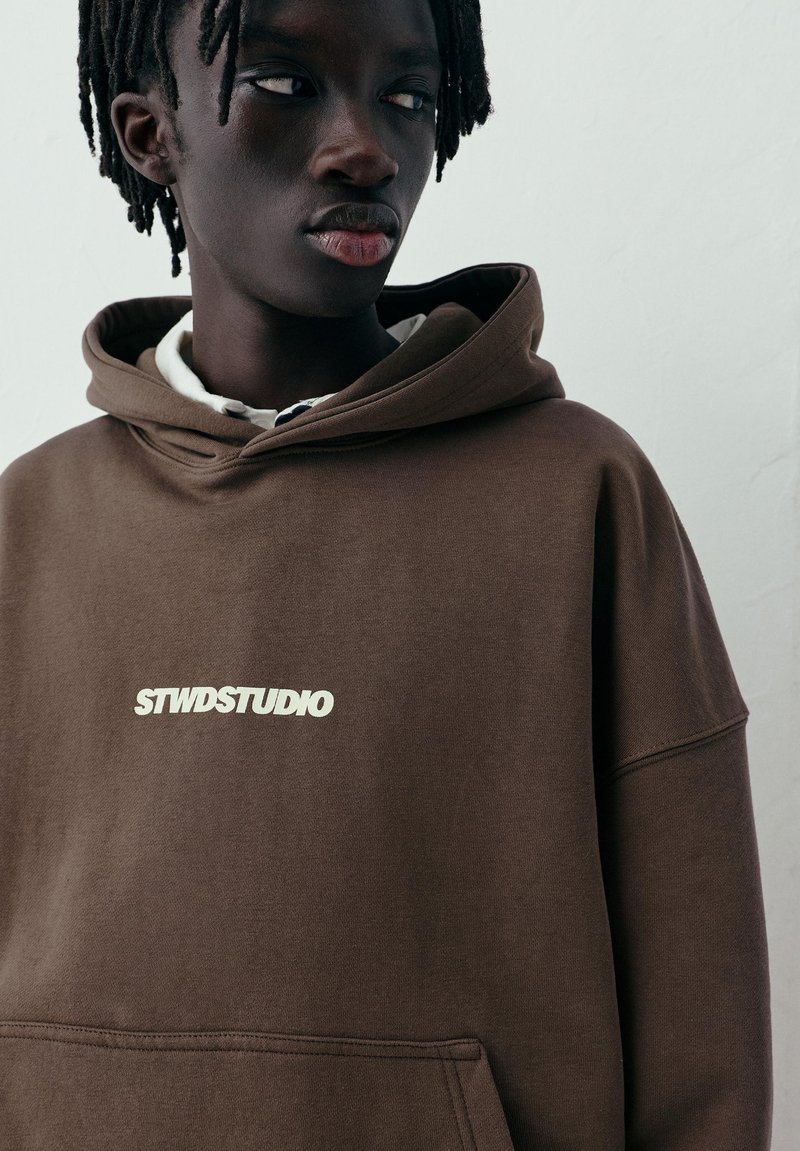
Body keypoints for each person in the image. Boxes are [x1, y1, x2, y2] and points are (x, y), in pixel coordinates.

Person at [0, 0, 772, 1147]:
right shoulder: (30, 521)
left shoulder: (577, 496)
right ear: (149, 134)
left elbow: (700, 1054)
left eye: (408, 95)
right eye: (285, 84)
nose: (366, 148)